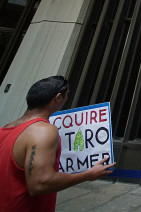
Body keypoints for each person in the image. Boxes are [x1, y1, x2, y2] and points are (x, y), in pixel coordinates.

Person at [0, 75, 116, 211]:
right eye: (66, 95)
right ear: (58, 97)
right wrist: (87, 175)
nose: (66, 100)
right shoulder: (43, 131)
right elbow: (39, 184)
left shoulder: (4, 129)